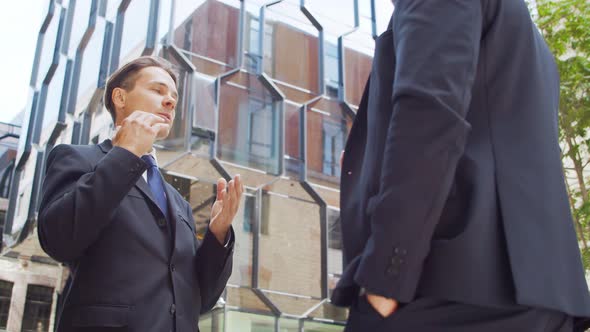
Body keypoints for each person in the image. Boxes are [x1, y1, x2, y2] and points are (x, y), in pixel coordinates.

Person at [332, 0, 590, 331]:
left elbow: (429, 114)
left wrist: (387, 274)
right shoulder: (524, 37)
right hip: (530, 297)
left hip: (449, 291)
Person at [37, 56, 242, 332]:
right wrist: (125, 154)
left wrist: (218, 235)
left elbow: (199, 300)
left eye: (173, 97)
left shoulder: (178, 202)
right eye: (157, 91)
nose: (170, 102)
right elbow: (58, 240)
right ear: (120, 98)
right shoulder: (77, 159)